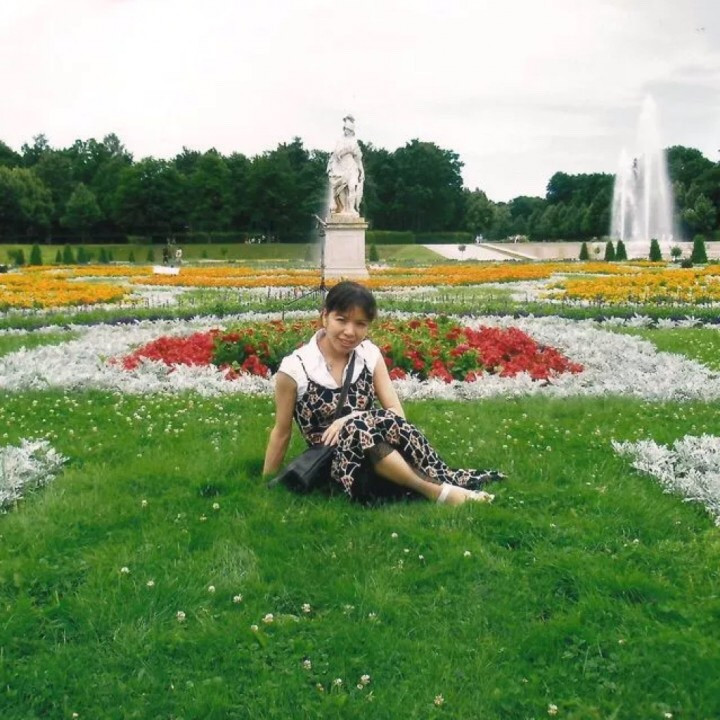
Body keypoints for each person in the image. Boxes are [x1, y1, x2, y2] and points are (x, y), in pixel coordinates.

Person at [263, 281, 504, 505]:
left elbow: (396, 415)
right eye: (341, 320)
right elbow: (282, 432)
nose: (350, 332)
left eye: (360, 324)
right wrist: (267, 481)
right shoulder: (296, 368)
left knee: (359, 426)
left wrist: (350, 419)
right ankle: (436, 491)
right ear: (324, 316)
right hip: (337, 466)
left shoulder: (368, 354)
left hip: (381, 452)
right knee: (358, 430)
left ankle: (435, 486)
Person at [327, 115, 365, 216]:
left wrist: (361, 170)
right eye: (346, 129)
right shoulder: (339, 140)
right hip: (341, 167)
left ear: (352, 131)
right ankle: (343, 209)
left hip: (352, 166)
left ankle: (351, 208)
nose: (347, 131)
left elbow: (358, 158)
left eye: (349, 130)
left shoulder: (354, 141)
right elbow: (336, 154)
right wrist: (346, 150)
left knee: (352, 187)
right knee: (341, 189)